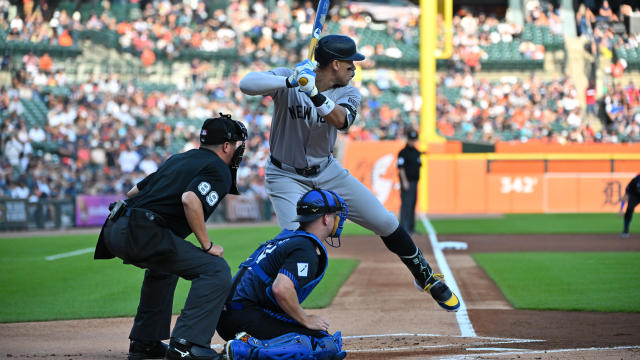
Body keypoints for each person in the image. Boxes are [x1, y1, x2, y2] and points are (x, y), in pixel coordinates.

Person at [239, 35, 459, 313]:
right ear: (334, 64)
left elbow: (342, 121)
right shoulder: (291, 76)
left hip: (327, 170)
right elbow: (246, 84)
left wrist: (314, 94)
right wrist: (291, 81)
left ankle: (423, 274)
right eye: (350, 63)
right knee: (296, 240)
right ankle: (272, 313)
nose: (354, 68)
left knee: (384, 220)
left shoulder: (349, 92)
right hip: (285, 175)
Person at [94, 114, 248, 360]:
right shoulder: (220, 168)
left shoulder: (180, 158)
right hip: (142, 231)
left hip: (115, 226)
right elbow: (190, 199)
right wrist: (206, 245)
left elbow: (135, 191)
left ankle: (145, 343)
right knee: (215, 270)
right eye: (238, 146)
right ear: (227, 146)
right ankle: (187, 344)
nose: (239, 151)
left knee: (163, 268)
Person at [217, 188, 348, 360]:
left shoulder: (291, 238)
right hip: (243, 315)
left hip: (233, 313)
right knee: (322, 345)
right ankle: (243, 351)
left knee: (321, 338)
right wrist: (305, 319)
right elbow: (281, 289)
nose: (338, 219)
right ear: (325, 218)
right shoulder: (305, 248)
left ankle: (247, 341)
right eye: (335, 214)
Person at [397, 129, 422, 234]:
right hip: (406, 182)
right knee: (406, 205)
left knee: (412, 205)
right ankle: (405, 228)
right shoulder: (403, 152)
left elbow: (419, 166)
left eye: (414, 140)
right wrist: (405, 181)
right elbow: (401, 168)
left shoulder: (417, 152)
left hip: (415, 182)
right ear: (408, 139)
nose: (413, 141)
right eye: (411, 140)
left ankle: (411, 228)